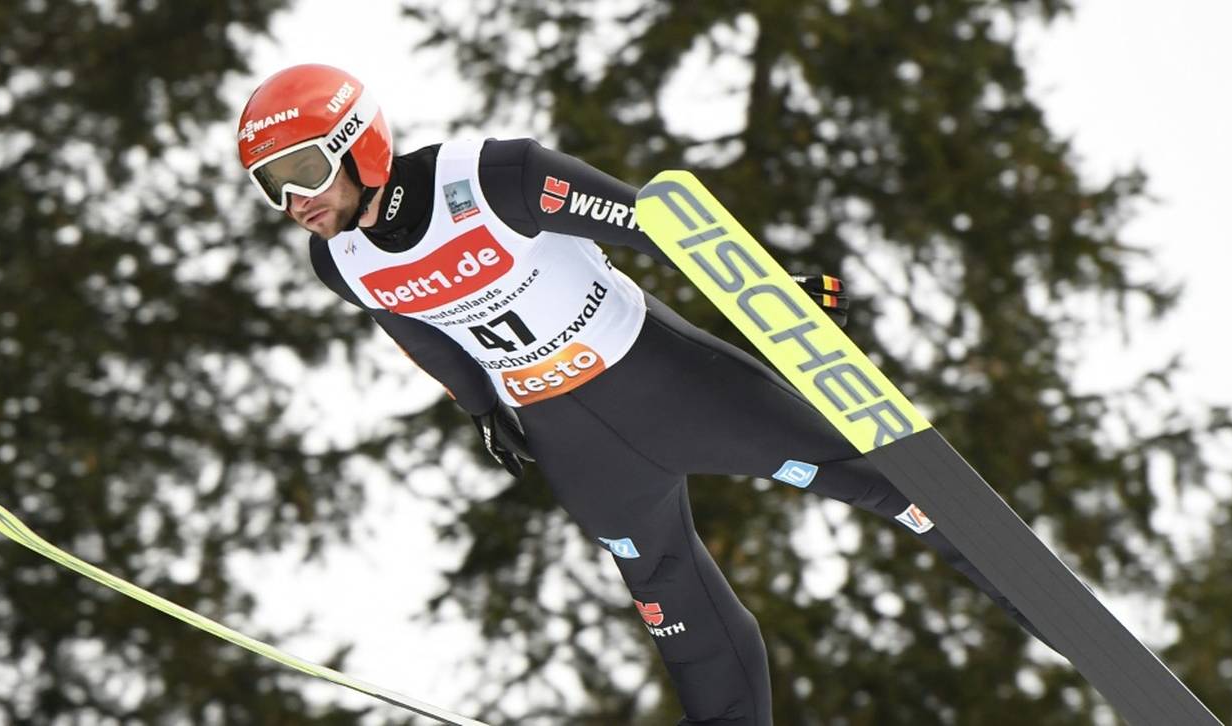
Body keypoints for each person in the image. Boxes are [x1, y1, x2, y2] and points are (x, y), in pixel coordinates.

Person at [237, 63, 1046, 725]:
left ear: (358, 143)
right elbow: (418, 329)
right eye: (271, 185)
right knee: (675, 611)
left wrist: (769, 288)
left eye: (302, 170)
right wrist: (484, 408)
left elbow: (652, 220)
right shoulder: (340, 262)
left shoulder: (491, 178)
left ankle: (1048, 608)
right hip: (574, 446)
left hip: (665, 381)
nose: (294, 200)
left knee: (875, 477)